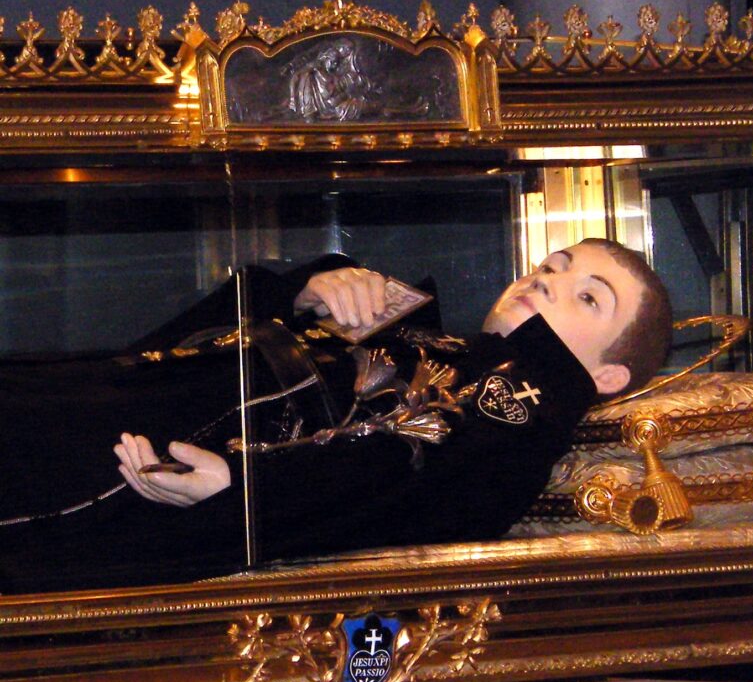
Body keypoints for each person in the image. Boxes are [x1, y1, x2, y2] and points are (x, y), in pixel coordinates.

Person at [0, 238, 671, 592]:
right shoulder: (431, 336)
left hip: (144, 460)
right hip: (129, 402)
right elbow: (184, 343)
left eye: (588, 298)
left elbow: (397, 485)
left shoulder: (518, 414)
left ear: (606, 376)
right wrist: (308, 290)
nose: (547, 279)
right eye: (553, 264)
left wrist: (245, 488)